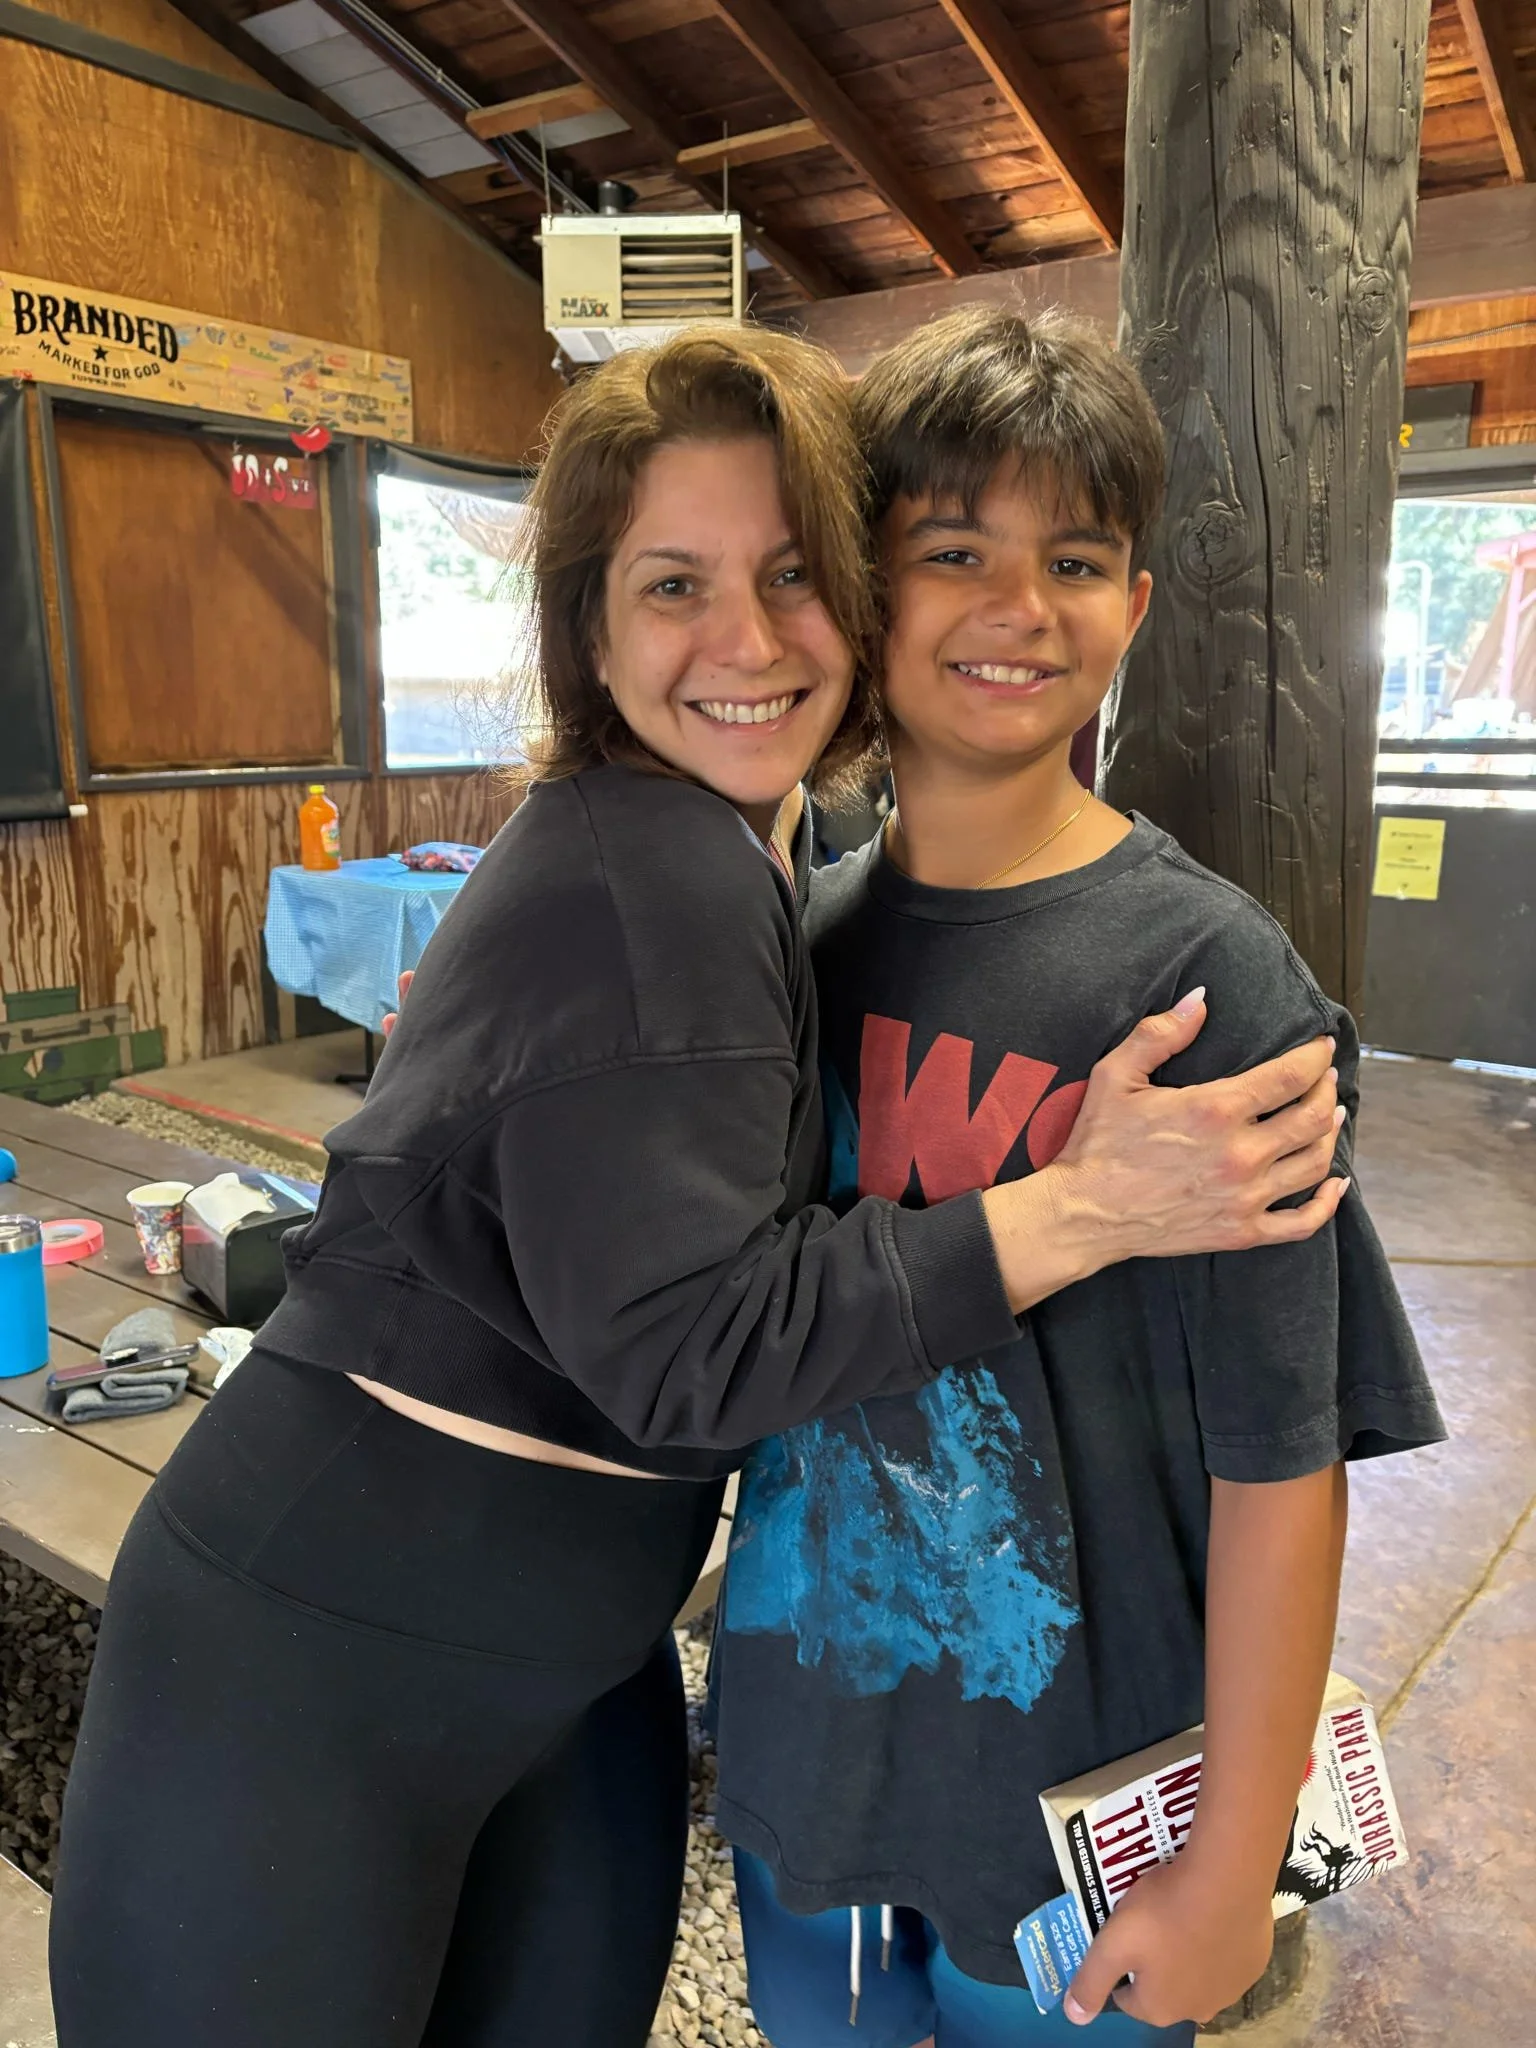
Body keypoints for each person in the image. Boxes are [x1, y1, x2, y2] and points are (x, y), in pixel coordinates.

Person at [50, 326, 1344, 2048]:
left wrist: (1245, 1842)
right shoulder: (661, 863)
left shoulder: (816, 882)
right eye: (674, 585)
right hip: (340, 1639)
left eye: (792, 575)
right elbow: (689, 1349)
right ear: (588, 630)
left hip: (584, 1655)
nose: (747, 640)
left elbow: (1284, 1444)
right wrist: (1075, 1207)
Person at [710, 306, 1446, 2048]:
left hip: (1085, 1816)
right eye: (954, 550)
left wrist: (1239, 1857)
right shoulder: (788, 946)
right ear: (863, 589)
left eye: (1077, 560)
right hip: (810, 1742)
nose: (1020, 607)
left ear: (1133, 601)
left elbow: (1283, 1466)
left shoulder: (1208, 981)